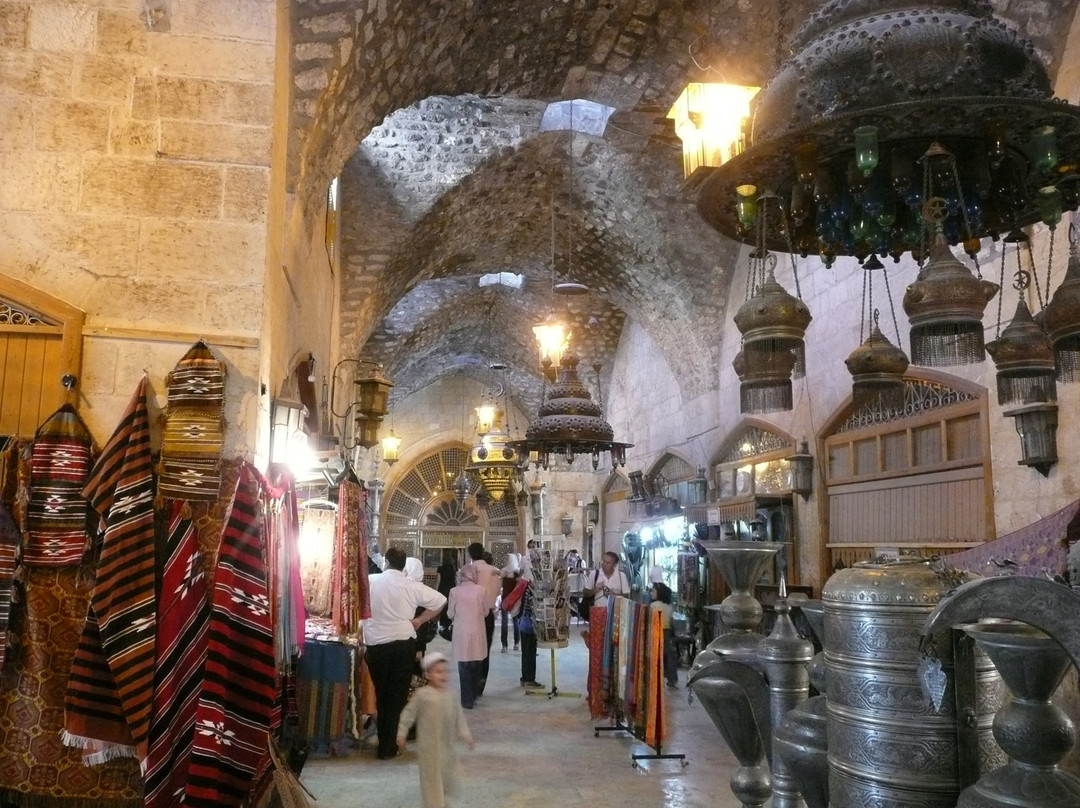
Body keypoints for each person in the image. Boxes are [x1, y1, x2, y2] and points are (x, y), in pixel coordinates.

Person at [362, 546, 446, 760]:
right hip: (402, 645)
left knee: (381, 694)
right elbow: (440, 601)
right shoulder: (411, 585)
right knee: (397, 697)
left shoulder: (371, 581)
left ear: (386, 562)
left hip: (376, 645)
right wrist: (419, 620)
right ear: (404, 565)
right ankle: (389, 746)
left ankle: (384, 744)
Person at [397, 652, 474, 808]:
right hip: (428, 748)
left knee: (446, 776)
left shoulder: (451, 694)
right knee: (431, 779)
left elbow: (459, 717)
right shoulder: (422, 695)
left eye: (446, 671)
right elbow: (408, 714)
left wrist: (465, 734)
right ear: (428, 675)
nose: (443, 675)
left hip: (447, 746)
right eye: (438, 672)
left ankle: (441, 801)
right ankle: (433, 804)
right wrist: (402, 732)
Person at [447, 564, 488, 708]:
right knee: (476, 662)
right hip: (477, 631)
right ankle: (474, 693)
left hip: (461, 632)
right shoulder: (481, 591)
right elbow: (485, 611)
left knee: (463, 664)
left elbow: (450, 613)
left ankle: (466, 700)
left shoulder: (454, 591)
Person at [462, 542, 500, 695]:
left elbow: (462, 592)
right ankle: (480, 684)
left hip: (470, 615)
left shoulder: (466, 571)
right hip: (488, 615)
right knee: (485, 649)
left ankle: (470, 684)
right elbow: (497, 592)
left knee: (470, 649)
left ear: (470, 554)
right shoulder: (493, 571)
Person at [649, 581, 678, 687]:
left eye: (653, 591)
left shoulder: (653, 606)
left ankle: (654, 678)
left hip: (656, 632)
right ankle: (672, 679)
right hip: (667, 633)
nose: (651, 593)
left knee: (655, 656)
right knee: (669, 657)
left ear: (659, 593)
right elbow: (671, 622)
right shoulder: (669, 606)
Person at [518, 567, 542, 689]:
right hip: (529, 624)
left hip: (523, 623)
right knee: (530, 653)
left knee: (526, 652)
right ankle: (529, 680)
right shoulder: (533, 589)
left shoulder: (527, 587)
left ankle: (524, 679)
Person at [499, 554, 520, 653]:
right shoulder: (518, 572)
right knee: (515, 622)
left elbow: (500, 582)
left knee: (504, 622)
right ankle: (516, 643)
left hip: (505, 600)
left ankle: (504, 645)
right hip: (515, 600)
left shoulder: (504, 571)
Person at [436, 550, 457, 638]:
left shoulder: (440, 568)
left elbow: (438, 580)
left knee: (442, 606)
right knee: (449, 605)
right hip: (451, 588)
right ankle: (449, 624)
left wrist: (436, 590)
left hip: (442, 588)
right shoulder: (453, 568)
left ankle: (442, 625)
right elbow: (455, 579)